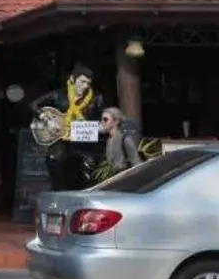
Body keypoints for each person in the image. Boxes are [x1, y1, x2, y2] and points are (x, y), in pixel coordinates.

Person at [31, 63, 103, 191]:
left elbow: (102, 120)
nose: (85, 86)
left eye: (88, 83)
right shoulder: (58, 95)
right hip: (60, 145)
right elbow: (33, 105)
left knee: (84, 184)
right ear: (72, 79)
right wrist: (47, 119)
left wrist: (101, 128)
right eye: (82, 82)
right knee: (59, 182)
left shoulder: (96, 98)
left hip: (84, 147)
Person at [100, 107, 142, 174]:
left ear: (116, 121)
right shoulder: (109, 140)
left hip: (127, 177)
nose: (102, 122)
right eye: (102, 119)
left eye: (105, 119)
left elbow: (136, 162)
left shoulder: (125, 138)